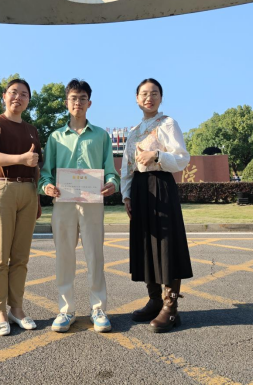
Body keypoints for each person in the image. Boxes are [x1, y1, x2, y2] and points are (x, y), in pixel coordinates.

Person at [39, 79, 120, 333]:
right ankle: (66, 310)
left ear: (89, 103)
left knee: (95, 255)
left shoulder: (101, 136)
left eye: (82, 98)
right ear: (66, 103)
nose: (78, 102)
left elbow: (111, 171)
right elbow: (45, 174)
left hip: (92, 203)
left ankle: (98, 308)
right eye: (73, 98)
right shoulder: (55, 137)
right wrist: (47, 187)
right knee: (64, 256)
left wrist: (112, 184)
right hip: (63, 203)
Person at [121, 78, 193, 333]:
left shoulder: (168, 123)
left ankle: (170, 307)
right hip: (140, 189)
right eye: (144, 94)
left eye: (154, 93)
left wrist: (157, 155)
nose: (149, 98)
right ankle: (154, 301)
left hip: (161, 186)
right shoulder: (133, 131)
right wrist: (126, 196)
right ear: (137, 99)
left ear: (161, 98)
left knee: (166, 244)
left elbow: (182, 158)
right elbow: (127, 166)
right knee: (146, 244)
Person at [0, 79, 42, 336]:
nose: (18, 97)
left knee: (20, 257)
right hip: (1, 188)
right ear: (4, 96)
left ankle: (17, 309)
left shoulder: (32, 130)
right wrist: (21, 159)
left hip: (28, 191)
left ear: (28, 101)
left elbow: (36, 165)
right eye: (14, 92)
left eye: (24, 94)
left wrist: (37, 198)